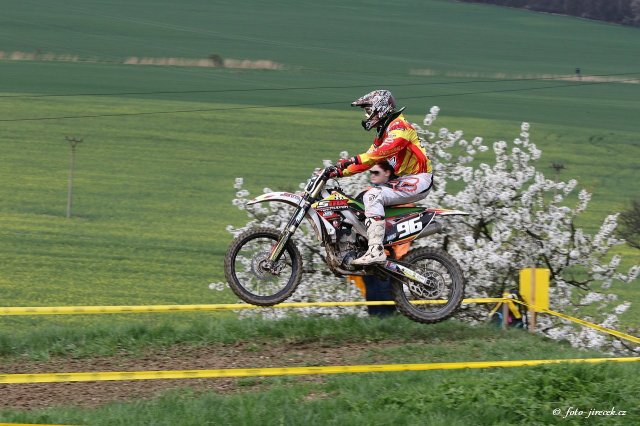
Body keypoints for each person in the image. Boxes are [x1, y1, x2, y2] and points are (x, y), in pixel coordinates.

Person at [332, 90, 433, 265]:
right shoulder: (384, 132)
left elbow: (380, 153)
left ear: (381, 108)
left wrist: (352, 159)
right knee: (359, 201)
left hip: (419, 178)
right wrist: (339, 172)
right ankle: (365, 244)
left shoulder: (400, 127)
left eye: (368, 110)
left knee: (373, 195)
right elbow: (369, 160)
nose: (367, 115)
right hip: (406, 180)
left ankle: (376, 250)